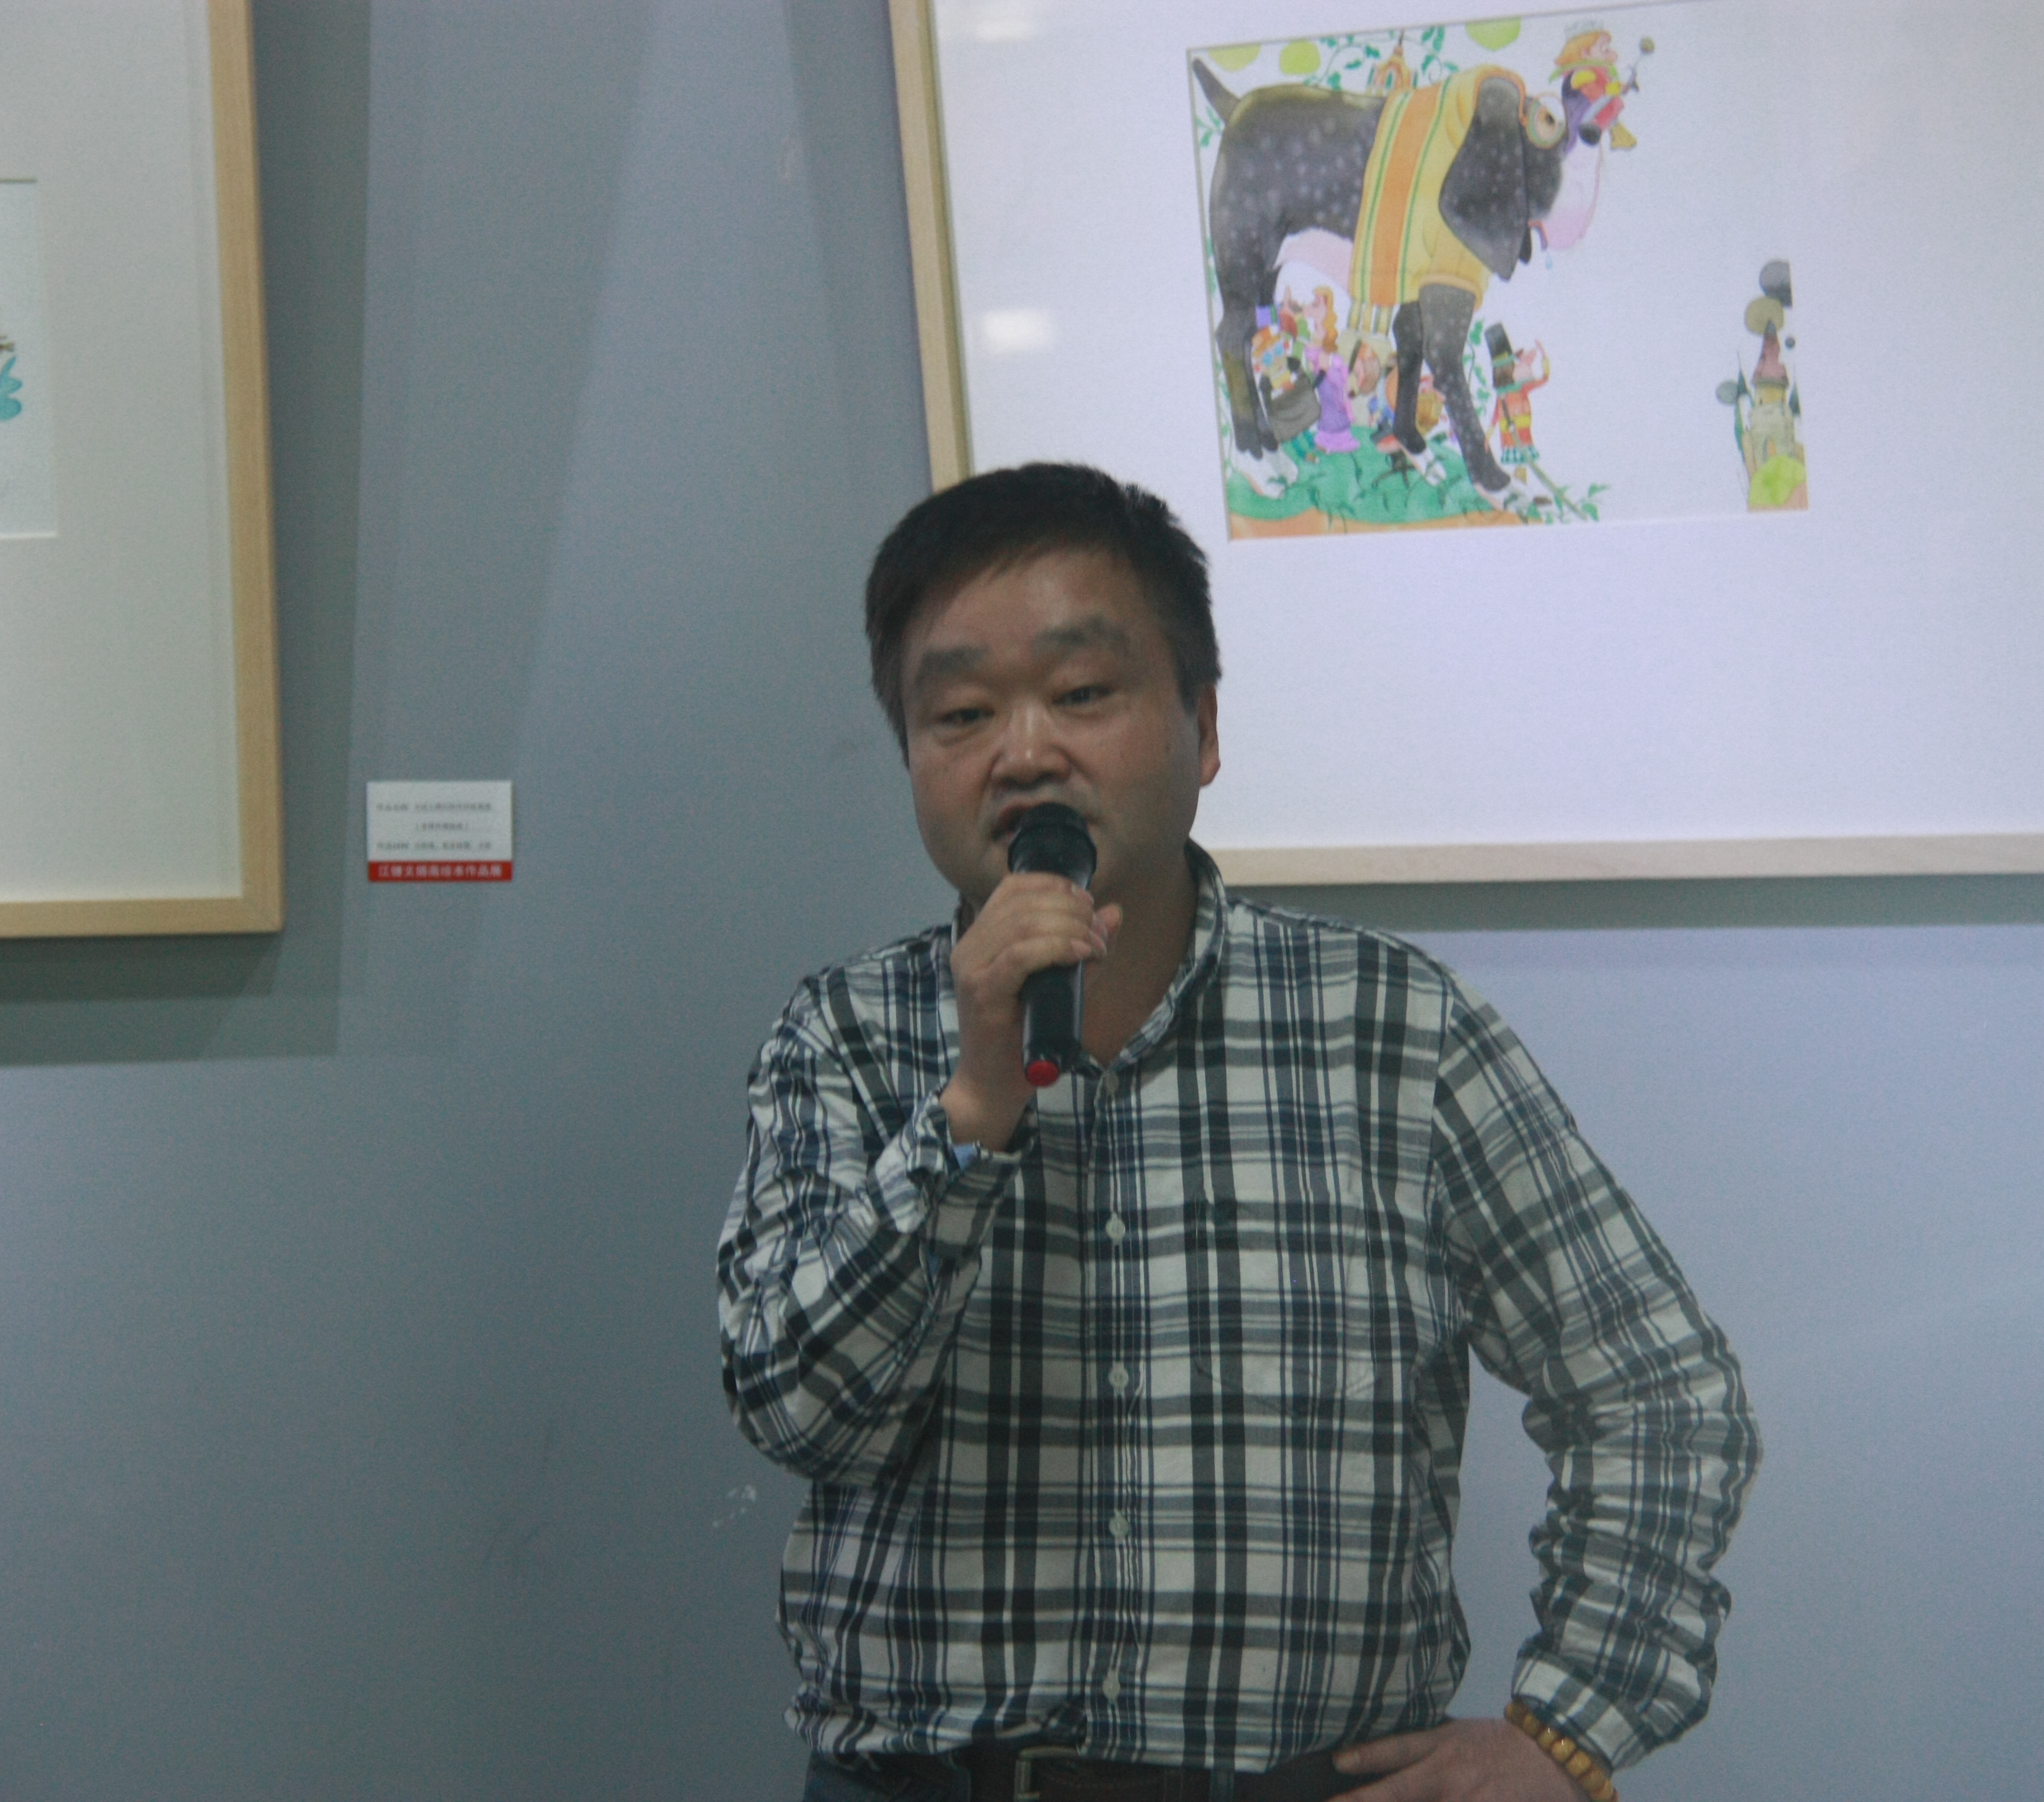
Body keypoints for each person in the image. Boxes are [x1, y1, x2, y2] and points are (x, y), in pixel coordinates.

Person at [720, 464, 1757, 1802]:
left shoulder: (1395, 1027)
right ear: (912, 759)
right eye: (961, 713)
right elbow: (801, 1416)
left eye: (1082, 693)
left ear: (1202, 727)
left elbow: (1656, 1387)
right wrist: (972, 1110)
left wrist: (1568, 1728)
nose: (1024, 753)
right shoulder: (845, 1034)